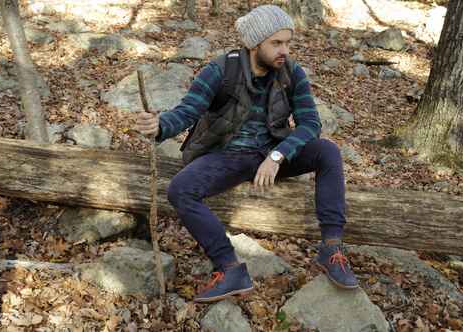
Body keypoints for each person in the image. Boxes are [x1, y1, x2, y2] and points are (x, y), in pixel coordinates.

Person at [137, 5, 359, 303]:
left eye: (288, 42)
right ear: (255, 44)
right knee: (180, 189)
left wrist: (277, 156)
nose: (285, 50)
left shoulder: (291, 73)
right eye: (276, 43)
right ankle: (230, 268)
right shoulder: (221, 69)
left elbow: (310, 124)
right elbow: (188, 110)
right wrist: (159, 126)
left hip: (272, 152)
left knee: (327, 151)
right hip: (226, 155)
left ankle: (332, 249)